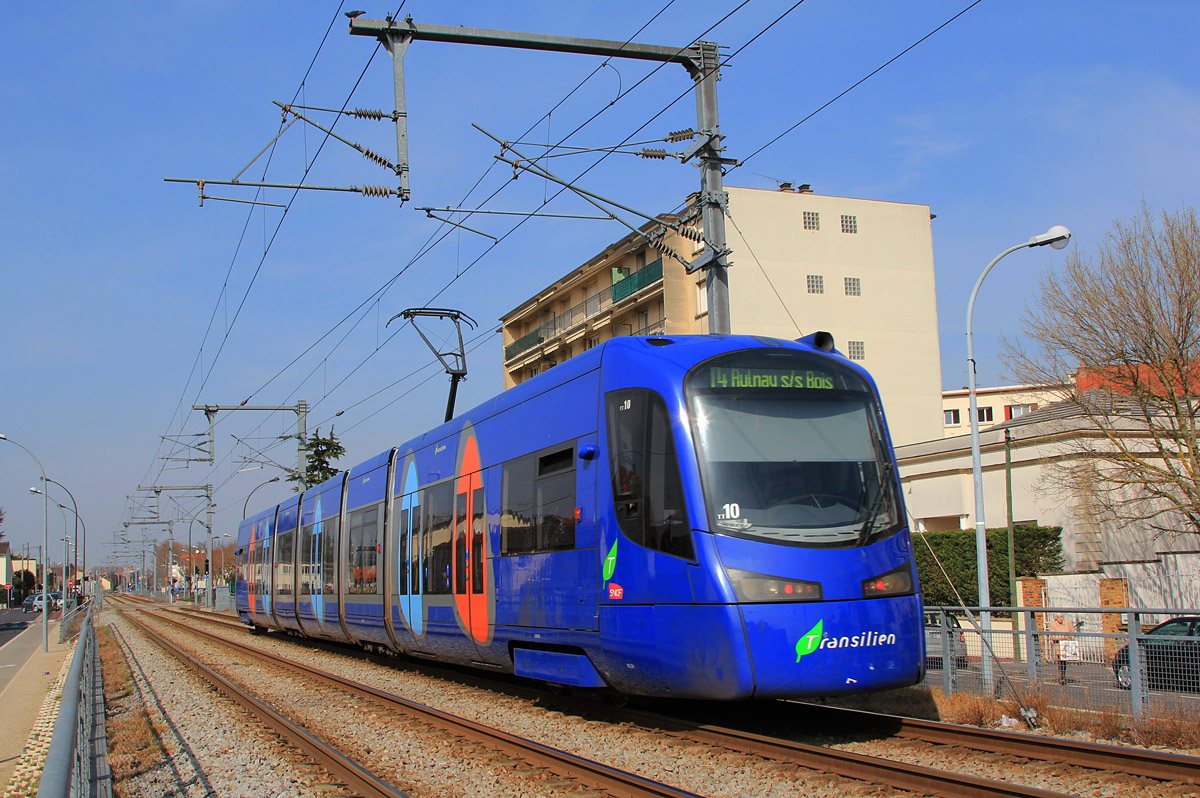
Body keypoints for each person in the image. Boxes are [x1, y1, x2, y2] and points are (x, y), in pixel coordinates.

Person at [1047, 612, 1074, 684]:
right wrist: (1063, 637)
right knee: (1060, 661)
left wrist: (1071, 638)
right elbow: (1053, 636)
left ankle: (1063, 676)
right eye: (1059, 618)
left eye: (1061, 617)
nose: (1060, 619)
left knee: (1064, 661)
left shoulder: (1068, 623)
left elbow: (1072, 632)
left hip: (1067, 644)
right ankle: (1061, 677)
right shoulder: (1053, 625)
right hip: (1058, 645)